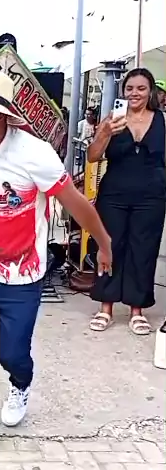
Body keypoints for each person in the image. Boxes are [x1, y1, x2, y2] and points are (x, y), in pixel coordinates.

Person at [0, 67, 112, 458]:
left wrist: (103, 244)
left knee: (12, 356)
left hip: (23, 275)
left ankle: (20, 384)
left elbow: (76, 204)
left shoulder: (33, 154)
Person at [87, 68, 166, 335]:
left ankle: (136, 310)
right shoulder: (112, 119)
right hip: (114, 194)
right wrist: (105, 133)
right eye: (130, 88)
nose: (135, 93)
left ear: (150, 91)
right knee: (109, 247)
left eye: (141, 88)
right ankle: (105, 307)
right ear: (123, 91)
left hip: (152, 196)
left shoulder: (162, 120)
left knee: (143, 250)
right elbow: (93, 156)